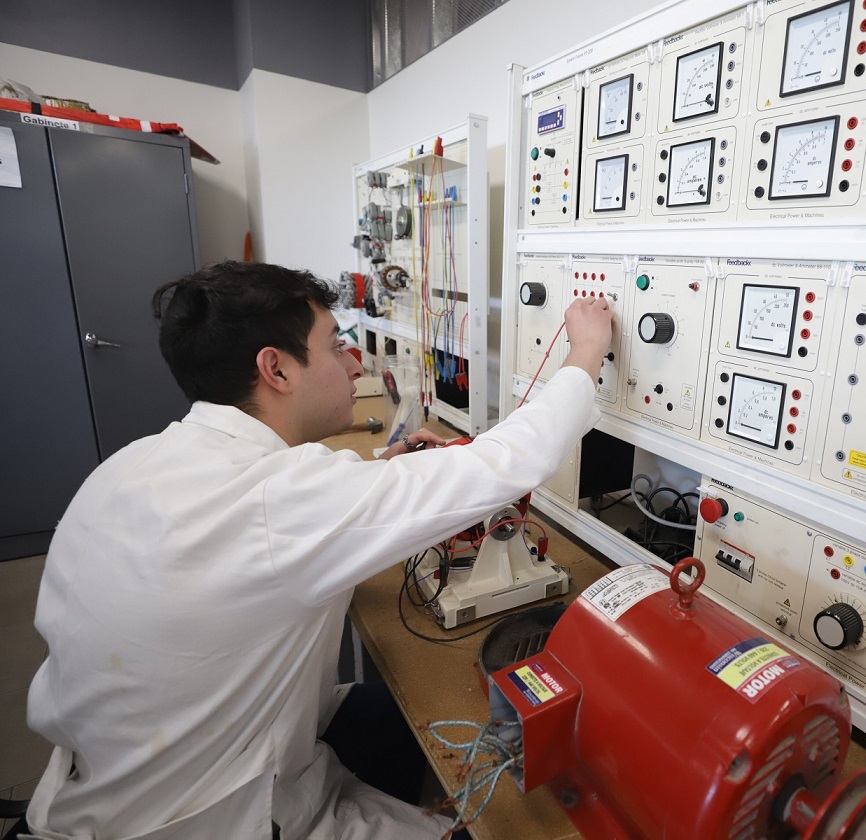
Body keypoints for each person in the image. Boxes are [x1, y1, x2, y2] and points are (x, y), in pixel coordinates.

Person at [20, 261, 613, 840]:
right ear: (276, 368)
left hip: (123, 778)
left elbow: (281, 525)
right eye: (335, 345)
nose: (355, 361)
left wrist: (382, 472)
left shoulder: (132, 464)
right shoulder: (280, 503)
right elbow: (508, 461)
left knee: (429, 715)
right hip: (219, 816)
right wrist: (587, 350)